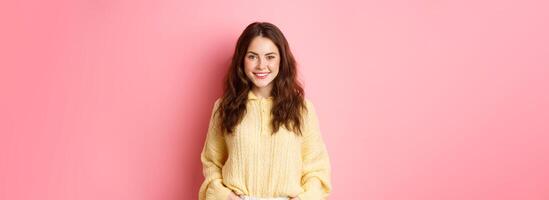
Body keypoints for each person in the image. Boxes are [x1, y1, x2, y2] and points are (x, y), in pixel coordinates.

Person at [198, 22, 331, 200]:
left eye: (270, 57)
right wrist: (227, 197)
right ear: (242, 60)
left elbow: (317, 169)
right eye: (252, 56)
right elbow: (211, 163)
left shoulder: (302, 109)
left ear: (281, 60)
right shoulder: (224, 107)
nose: (261, 65)